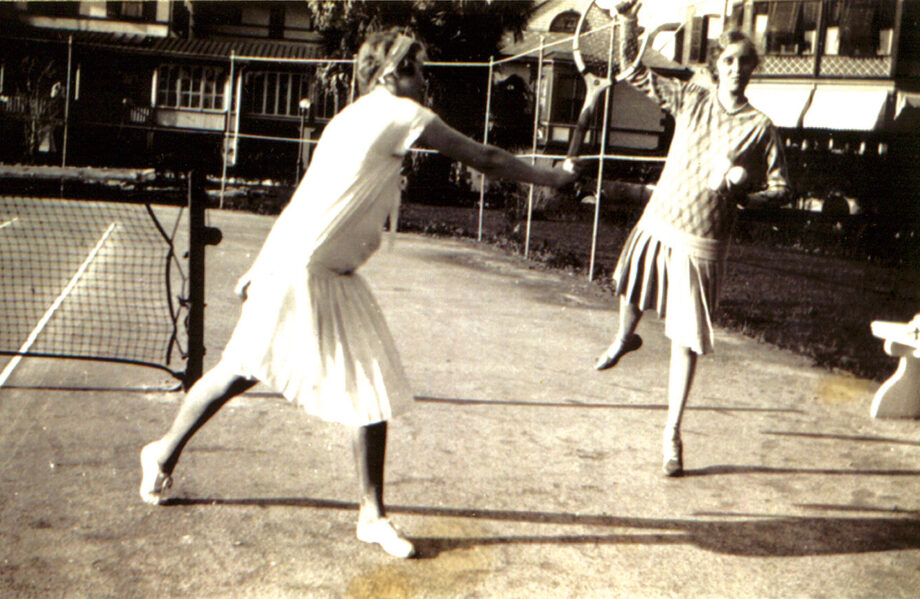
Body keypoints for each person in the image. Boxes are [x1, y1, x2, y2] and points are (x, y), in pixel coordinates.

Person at [139, 31, 577, 558]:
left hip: (320, 270)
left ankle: (368, 515)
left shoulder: (350, 117)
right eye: (416, 68)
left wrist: (261, 262)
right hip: (302, 272)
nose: (425, 78)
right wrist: (551, 178)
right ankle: (162, 452)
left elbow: (306, 197)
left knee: (353, 381)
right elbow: (483, 156)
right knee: (245, 372)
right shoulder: (400, 114)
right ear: (390, 76)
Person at [593, 9, 791, 477]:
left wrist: (745, 195)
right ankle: (625, 336)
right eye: (728, 61)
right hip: (661, 218)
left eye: (745, 62)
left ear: (752, 68)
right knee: (631, 286)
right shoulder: (691, 99)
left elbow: (783, 190)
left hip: (705, 238)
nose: (737, 69)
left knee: (685, 341)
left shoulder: (760, 127)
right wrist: (625, 21)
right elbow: (630, 70)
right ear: (716, 65)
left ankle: (672, 437)